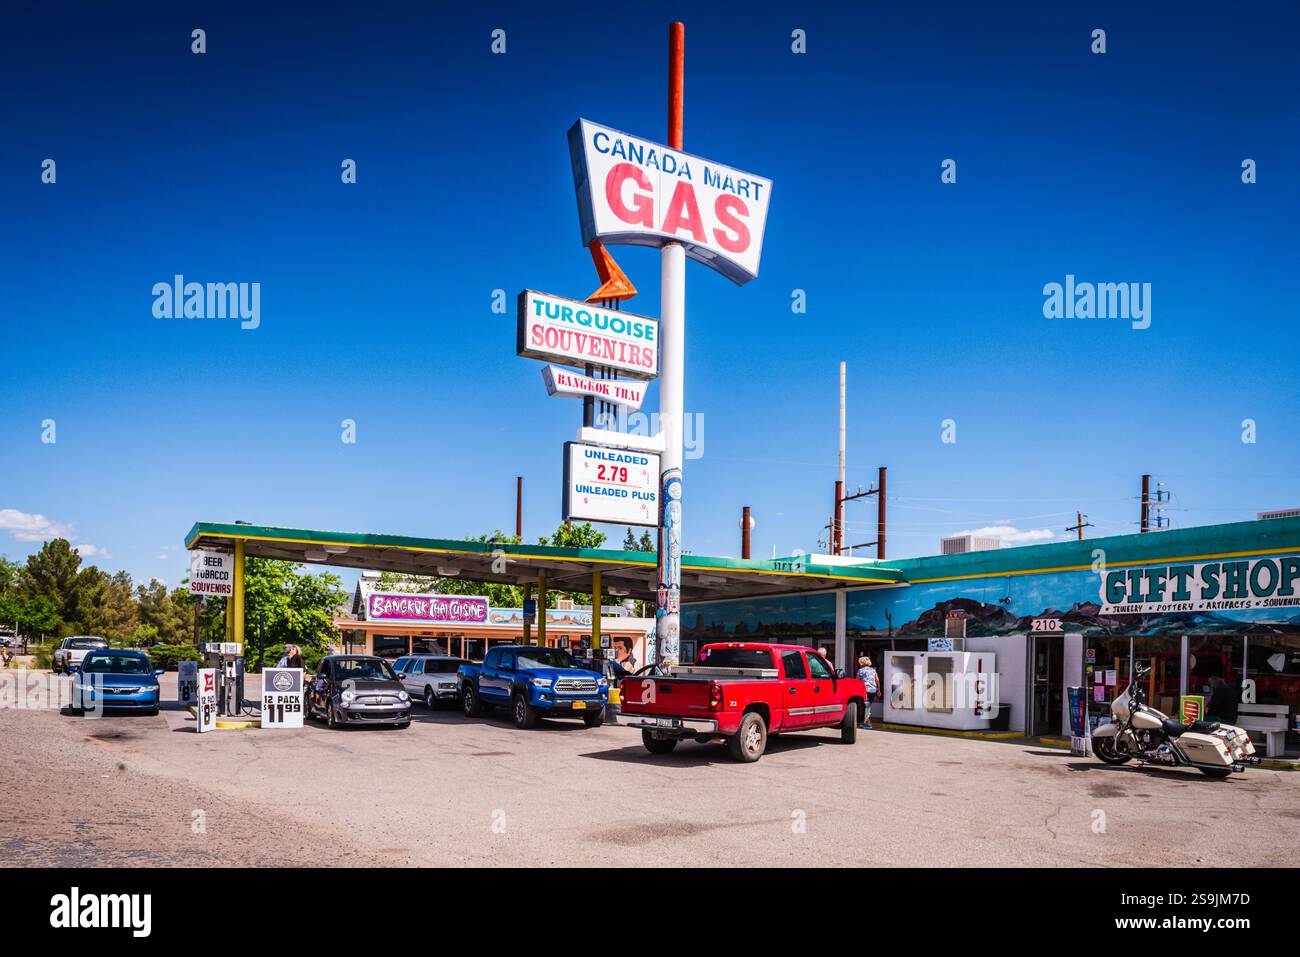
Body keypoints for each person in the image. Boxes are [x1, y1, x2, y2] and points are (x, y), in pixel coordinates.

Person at [856, 655, 879, 728]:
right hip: (873, 690)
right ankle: (866, 722)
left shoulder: (860, 670)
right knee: (868, 706)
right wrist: (879, 690)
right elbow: (877, 680)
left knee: (865, 706)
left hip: (865, 690)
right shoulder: (873, 670)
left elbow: (857, 681)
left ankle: (866, 723)